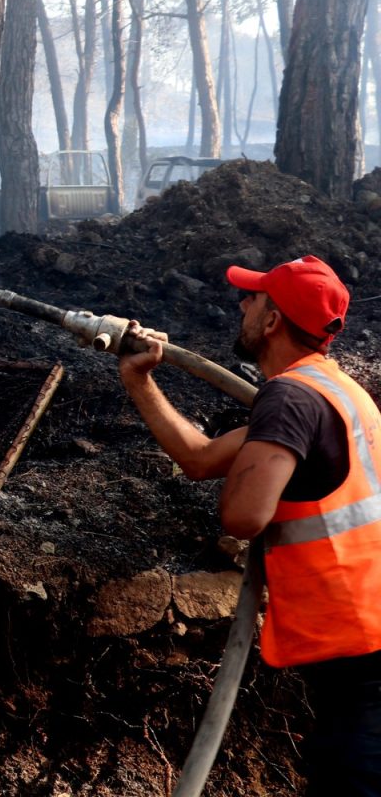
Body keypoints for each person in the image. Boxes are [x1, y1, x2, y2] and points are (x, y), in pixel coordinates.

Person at [118, 254, 381, 794]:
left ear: (272, 321)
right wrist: (140, 380)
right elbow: (200, 457)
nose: (242, 303)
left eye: (254, 297)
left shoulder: (289, 400)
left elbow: (244, 516)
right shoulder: (333, 389)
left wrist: (258, 462)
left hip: (364, 653)